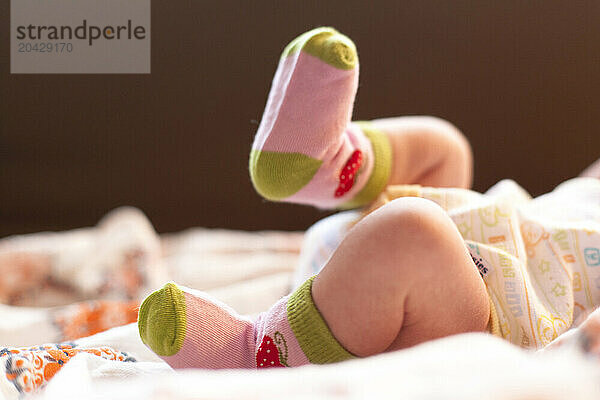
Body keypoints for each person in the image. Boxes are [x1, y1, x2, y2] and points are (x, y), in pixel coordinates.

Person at [137, 27, 600, 369]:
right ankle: (328, 166)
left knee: (415, 232)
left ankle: (258, 349)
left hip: (486, 319)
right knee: (448, 149)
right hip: (483, 236)